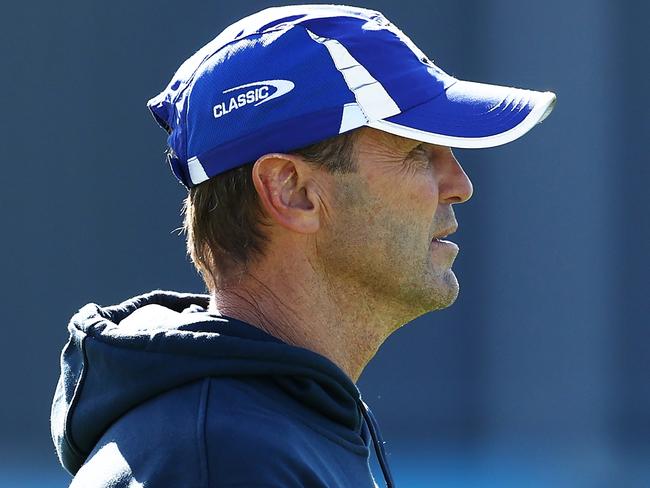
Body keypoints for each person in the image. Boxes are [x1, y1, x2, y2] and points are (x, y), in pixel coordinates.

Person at [51, 4, 556, 487]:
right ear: (291, 191)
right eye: (417, 150)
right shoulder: (223, 459)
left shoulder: (262, 431)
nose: (459, 184)